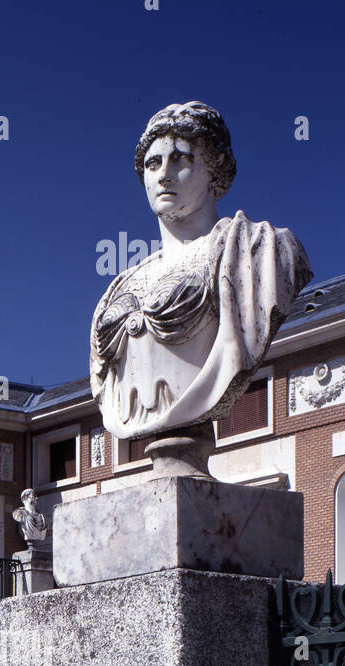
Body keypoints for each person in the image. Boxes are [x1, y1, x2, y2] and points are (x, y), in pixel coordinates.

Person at [90, 102, 311, 446]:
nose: (164, 174)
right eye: (153, 163)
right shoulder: (120, 287)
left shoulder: (258, 249)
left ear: (214, 171)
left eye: (181, 159)